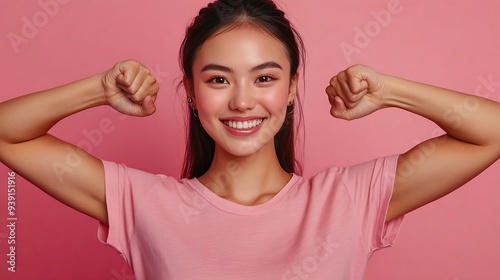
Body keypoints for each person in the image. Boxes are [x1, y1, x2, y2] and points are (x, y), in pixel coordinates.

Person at [0, 0, 499, 279]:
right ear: (192, 93)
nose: (242, 101)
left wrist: (390, 90)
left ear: (292, 88)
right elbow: (9, 134)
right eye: (218, 79)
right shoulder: (143, 202)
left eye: (264, 79)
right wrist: (98, 90)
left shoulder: (349, 200)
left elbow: (489, 134)